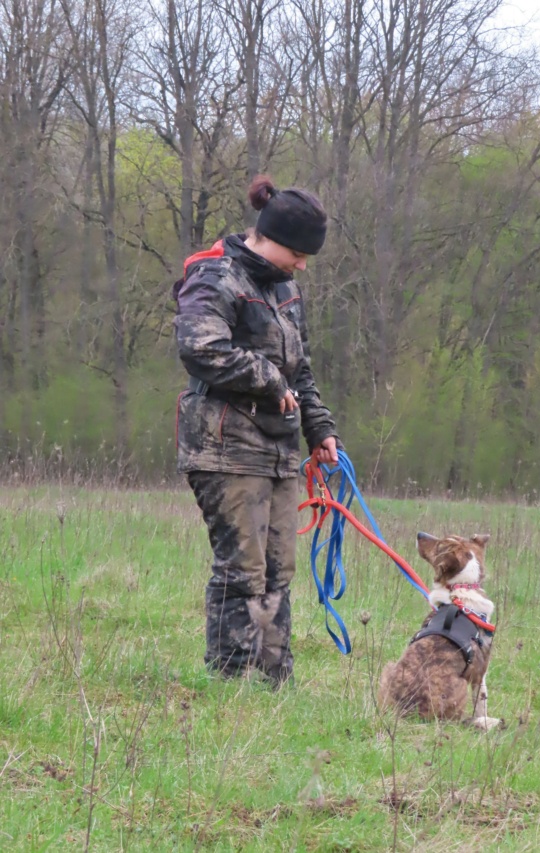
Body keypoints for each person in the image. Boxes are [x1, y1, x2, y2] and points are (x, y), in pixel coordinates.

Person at [173, 175, 341, 687]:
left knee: (277, 574)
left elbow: (302, 369)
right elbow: (200, 348)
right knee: (241, 572)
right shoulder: (214, 276)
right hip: (224, 450)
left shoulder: (286, 289)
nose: (303, 265)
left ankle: (273, 684)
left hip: (279, 452)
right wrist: (269, 380)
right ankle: (228, 685)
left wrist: (320, 429)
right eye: (298, 253)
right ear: (270, 238)